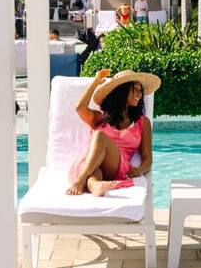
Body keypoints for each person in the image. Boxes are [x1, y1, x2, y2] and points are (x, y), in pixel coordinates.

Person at [68, 67, 158, 196]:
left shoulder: (142, 123)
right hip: (92, 166)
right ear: (122, 91)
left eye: (141, 91)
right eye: (135, 90)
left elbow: (147, 158)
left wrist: (139, 170)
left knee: (100, 135)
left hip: (118, 168)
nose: (139, 95)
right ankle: (95, 186)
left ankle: (79, 180)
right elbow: (80, 108)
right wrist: (96, 82)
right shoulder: (100, 117)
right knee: (95, 174)